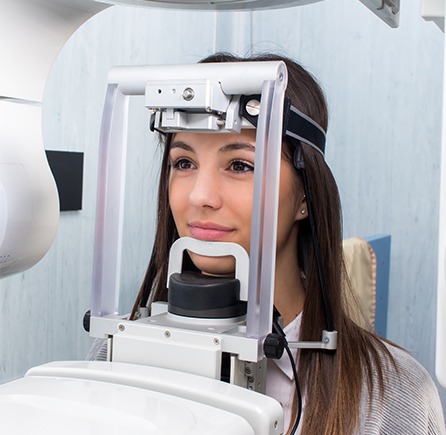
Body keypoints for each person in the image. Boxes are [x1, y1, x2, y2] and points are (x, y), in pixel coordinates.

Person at [90, 52, 446, 434]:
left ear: (305, 197)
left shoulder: (393, 394)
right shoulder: (115, 352)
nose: (199, 197)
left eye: (241, 166)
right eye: (184, 163)